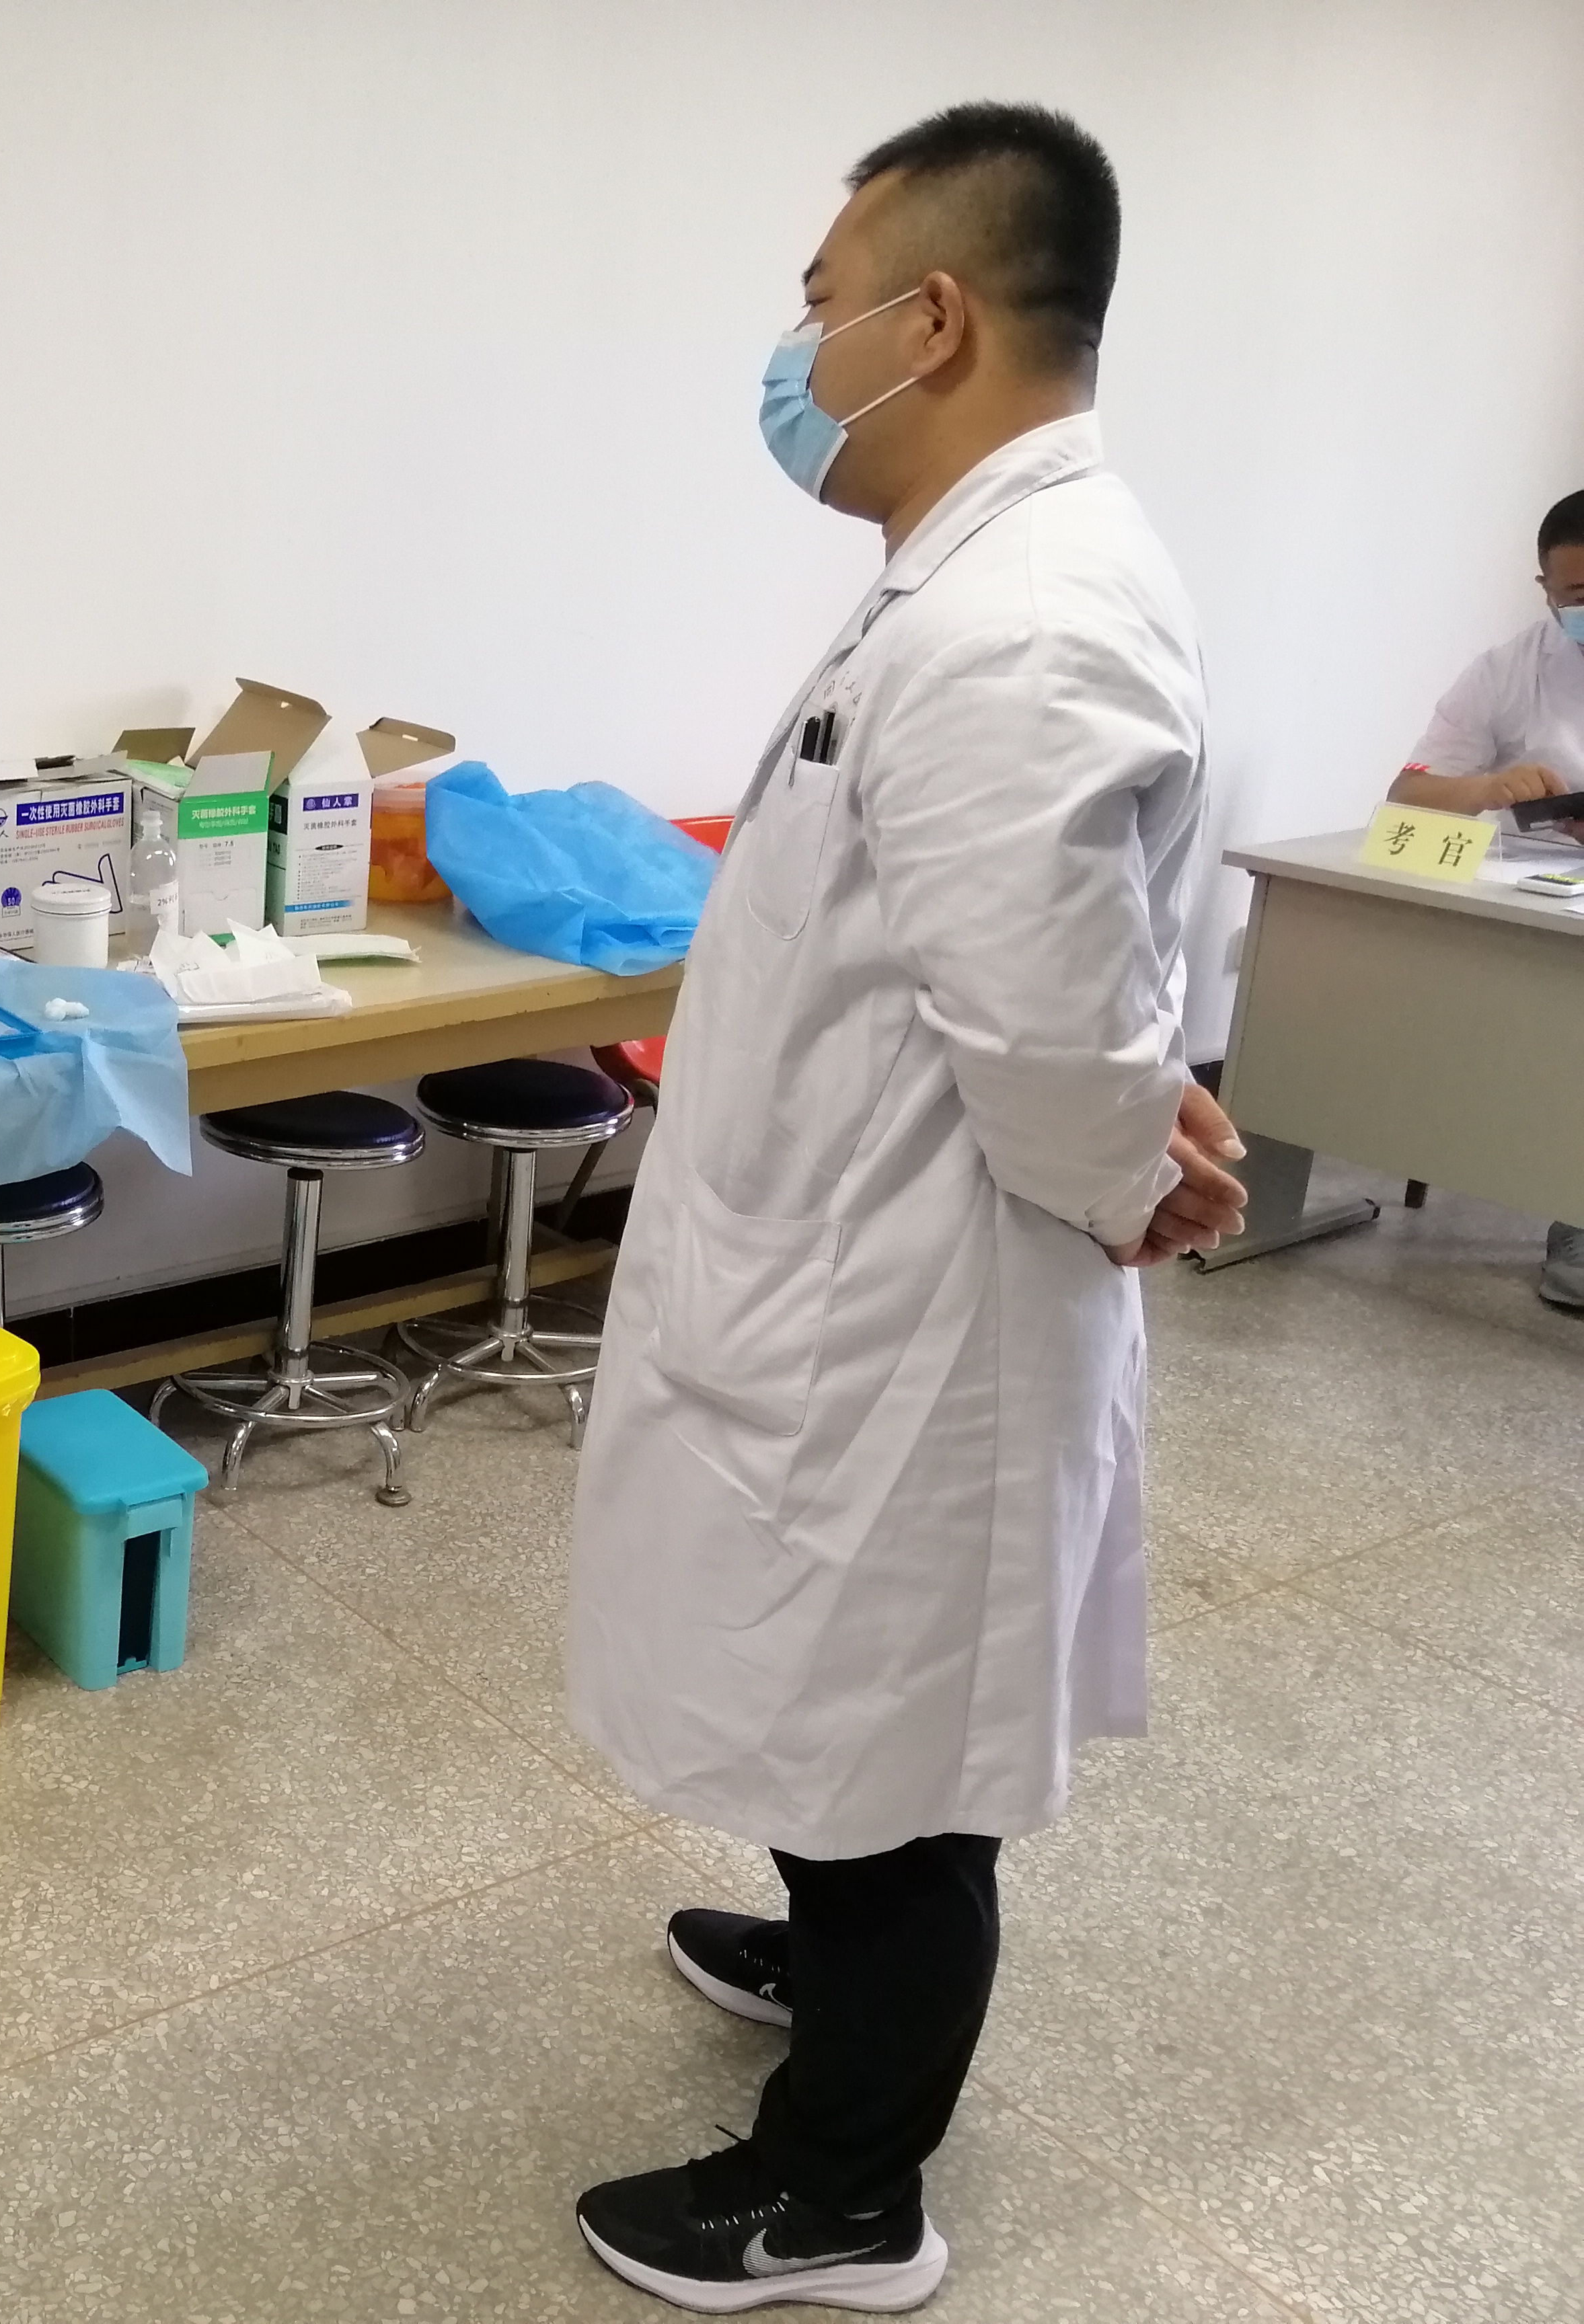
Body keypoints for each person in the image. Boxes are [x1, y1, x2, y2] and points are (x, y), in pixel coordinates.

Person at [562, 106, 1248, 2313]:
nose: (796, 353)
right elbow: (1029, 958)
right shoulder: (966, 579)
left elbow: (1050, 1030)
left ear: (928, 319)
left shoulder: (1018, 622)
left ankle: (843, 2195)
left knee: (900, 1734)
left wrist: (1132, 1165)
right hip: (844, 1264)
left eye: (818, 305)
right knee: (833, 1687)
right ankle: (825, 1941)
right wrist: (1137, 1113)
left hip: (917, 1315)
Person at [1386, 488, 1584, 1309]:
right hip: (1529, 894)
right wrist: (1488, 788)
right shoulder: (1508, 670)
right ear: (1545, 590)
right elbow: (1408, 793)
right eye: (1578, 594)